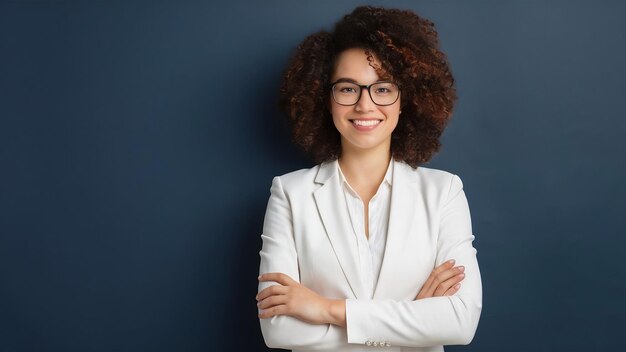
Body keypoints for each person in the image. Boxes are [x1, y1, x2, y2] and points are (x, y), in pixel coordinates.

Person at [256, 6, 482, 351]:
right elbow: (279, 330)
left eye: (383, 88)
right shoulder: (290, 193)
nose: (365, 105)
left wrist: (326, 309)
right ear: (326, 98)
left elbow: (460, 322)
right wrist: (414, 320)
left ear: (405, 99)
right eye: (348, 89)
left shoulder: (444, 192)